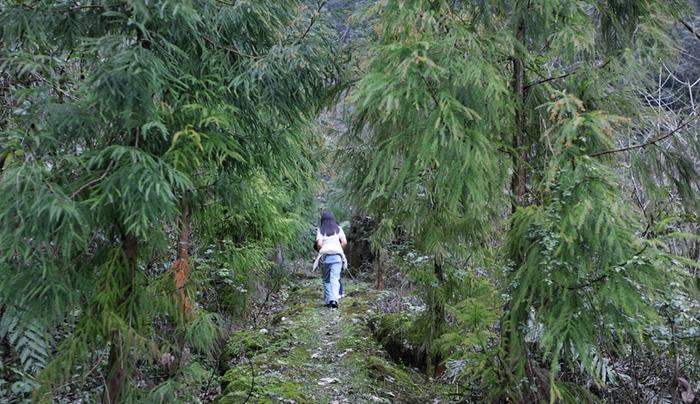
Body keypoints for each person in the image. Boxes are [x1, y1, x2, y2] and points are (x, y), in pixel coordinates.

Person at [313, 211, 347, 309]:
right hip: (337, 256)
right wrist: (338, 248)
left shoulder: (321, 230)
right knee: (335, 278)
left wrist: (323, 249)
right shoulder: (338, 229)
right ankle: (334, 299)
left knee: (326, 279)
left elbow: (319, 244)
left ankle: (329, 300)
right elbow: (344, 242)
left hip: (326, 257)